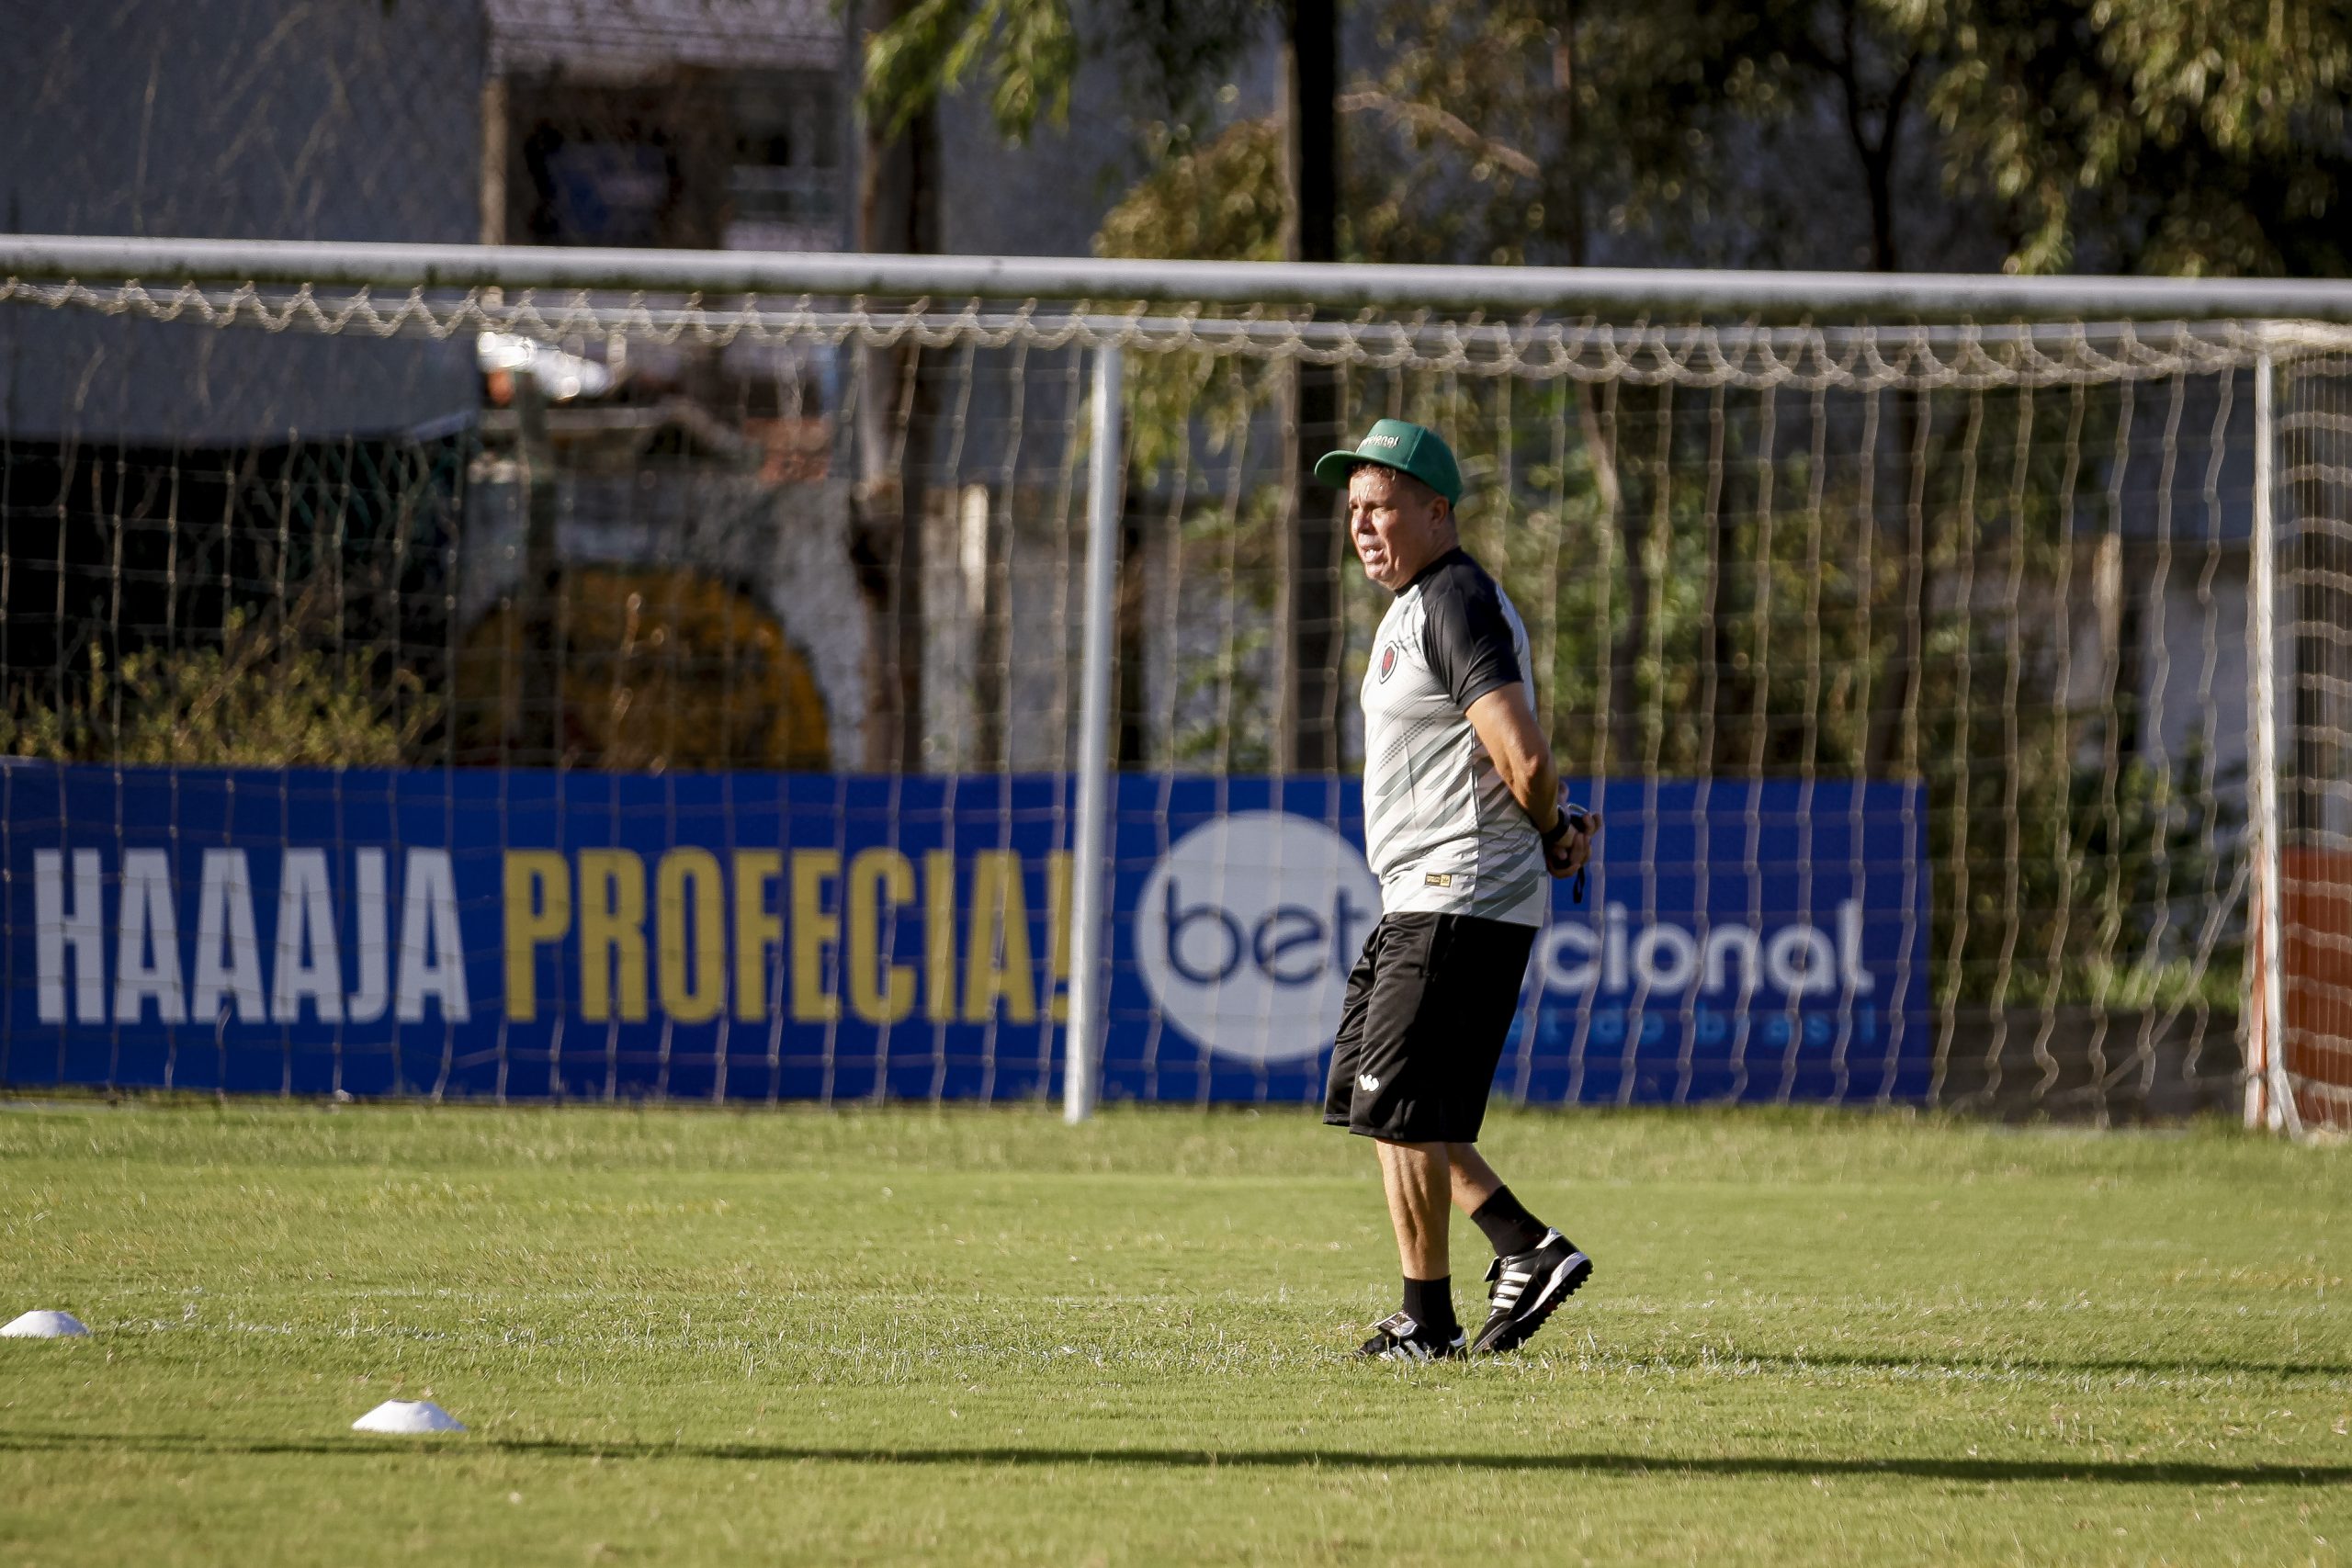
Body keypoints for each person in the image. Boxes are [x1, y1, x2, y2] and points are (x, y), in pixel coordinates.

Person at [1312, 418, 1599, 1361]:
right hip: (1420, 893)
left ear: (1438, 511)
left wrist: (1555, 830)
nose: (1362, 524)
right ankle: (1523, 1245)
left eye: (1382, 505)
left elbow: (1519, 750)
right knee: (1382, 1100)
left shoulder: (1459, 599)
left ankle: (1425, 1324)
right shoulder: (1417, 601)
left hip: (1457, 889)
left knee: (1401, 1104)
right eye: (1353, 508)